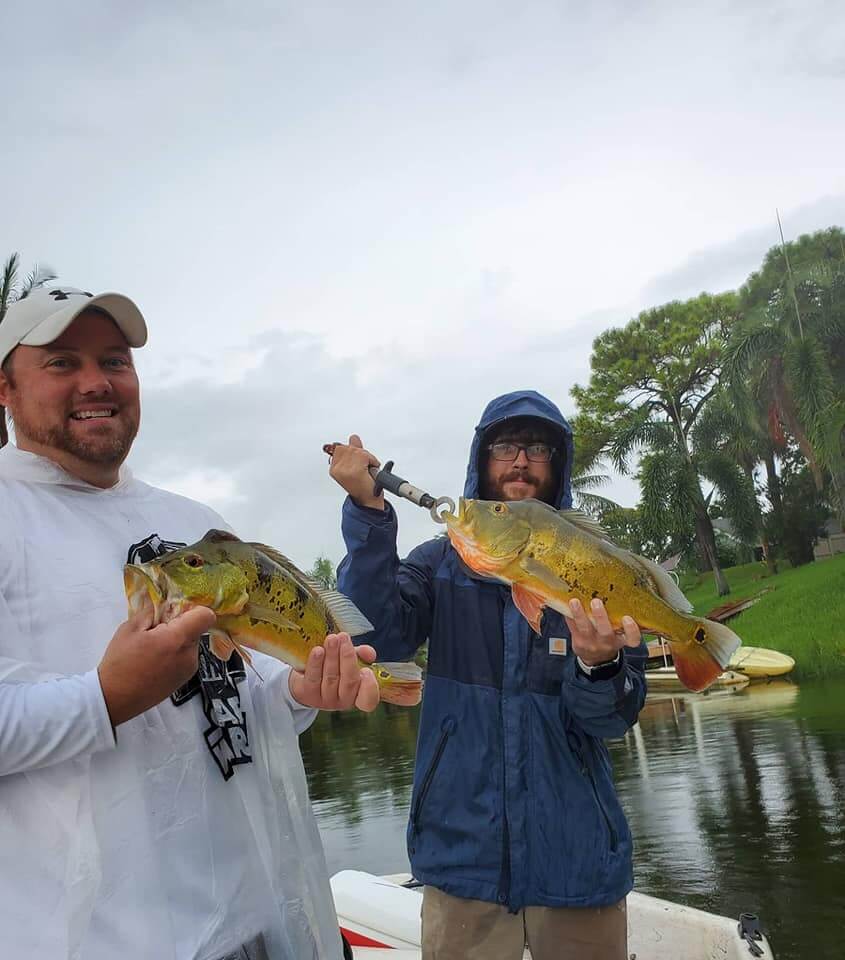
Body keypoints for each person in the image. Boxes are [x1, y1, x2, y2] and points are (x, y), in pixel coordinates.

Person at [0, 284, 377, 960]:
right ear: (5, 388)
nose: (97, 382)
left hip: (252, 924)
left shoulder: (192, 523)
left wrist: (299, 691)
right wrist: (106, 698)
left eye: (114, 361)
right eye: (62, 363)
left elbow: (242, 692)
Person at [329, 390, 648, 960]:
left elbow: (613, 719)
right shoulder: (436, 565)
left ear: (559, 465)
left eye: (537, 449)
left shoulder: (594, 568)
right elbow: (375, 636)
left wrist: (599, 664)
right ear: (482, 460)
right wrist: (370, 514)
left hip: (579, 866)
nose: (520, 461)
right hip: (461, 866)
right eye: (505, 446)